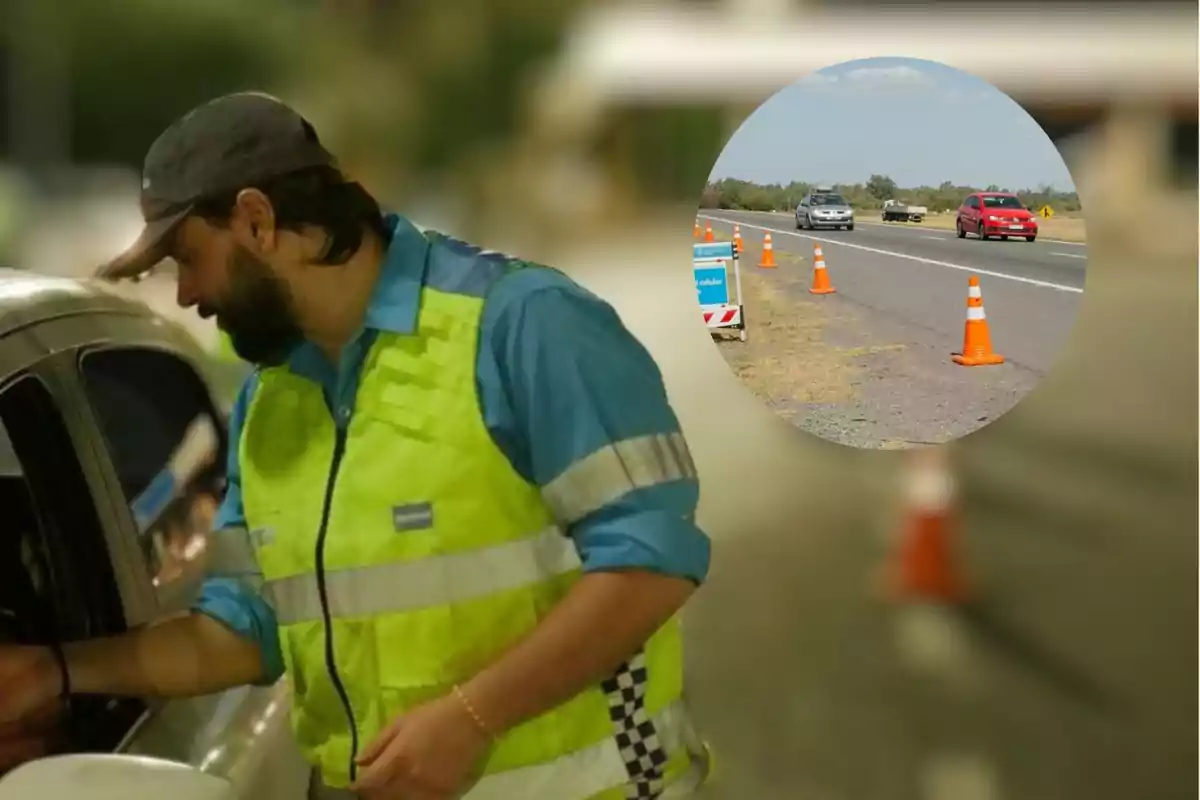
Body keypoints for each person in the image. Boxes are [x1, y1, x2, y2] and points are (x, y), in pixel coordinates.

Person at [0, 91, 712, 799]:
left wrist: (472, 719)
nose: (185, 293)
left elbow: (652, 562)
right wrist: (55, 672)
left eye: (188, 257)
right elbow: (246, 633)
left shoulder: (523, 327)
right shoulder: (269, 403)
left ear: (257, 219)